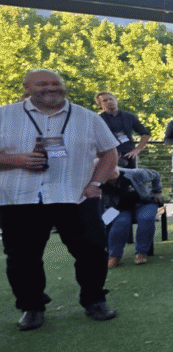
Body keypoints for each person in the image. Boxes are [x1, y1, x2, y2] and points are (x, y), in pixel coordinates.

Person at [0, 68, 120, 330]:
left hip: (75, 196)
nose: (51, 88)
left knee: (92, 250)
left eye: (56, 83)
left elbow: (110, 153)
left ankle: (95, 300)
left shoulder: (87, 117)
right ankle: (31, 307)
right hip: (20, 198)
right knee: (22, 257)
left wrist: (95, 184)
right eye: (42, 84)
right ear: (27, 88)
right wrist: (17, 159)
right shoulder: (4, 115)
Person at [102, 166, 163, 267]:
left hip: (145, 203)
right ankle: (114, 256)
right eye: (107, 169)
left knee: (146, 219)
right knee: (120, 223)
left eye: (113, 166)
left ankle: (141, 253)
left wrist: (157, 192)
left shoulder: (135, 174)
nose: (113, 171)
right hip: (121, 209)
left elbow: (156, 174)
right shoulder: (97, 184)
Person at [95, 91, 150, 169]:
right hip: (107, 157)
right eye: (105, 100)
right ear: (100, 105)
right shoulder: (97, 119)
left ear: (116, 100)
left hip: (129, 155)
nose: (109, 101)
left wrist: (137, 150)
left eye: (111, 99)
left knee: (130, 176)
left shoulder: (129, 116)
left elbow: (145, 134)